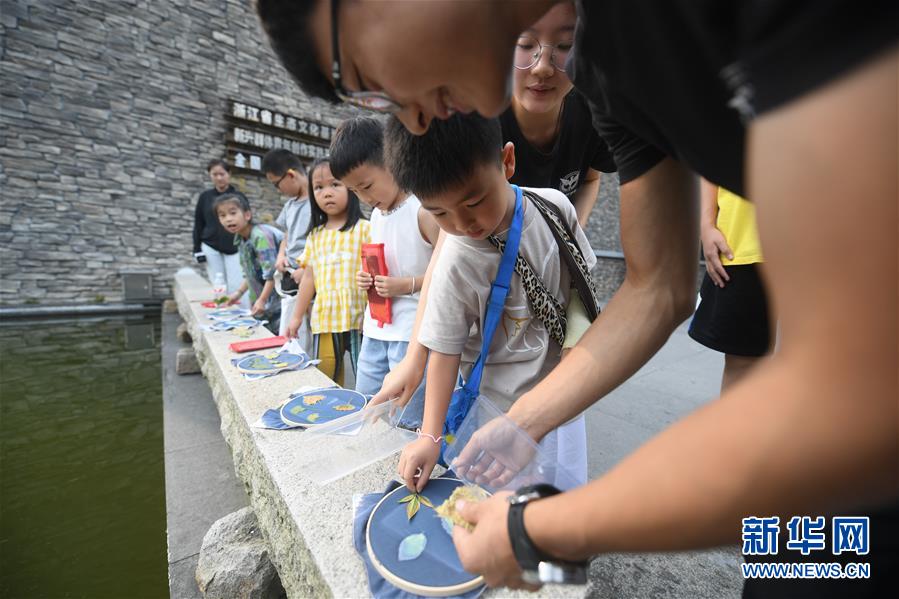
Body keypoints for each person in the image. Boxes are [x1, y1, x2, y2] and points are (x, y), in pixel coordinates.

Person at [255, 0, 898, 594]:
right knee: (786, 571)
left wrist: (539, 531)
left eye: (368, 81)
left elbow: (856, 401)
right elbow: (659, 286)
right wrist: (524, 424)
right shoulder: (602, 73)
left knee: (836, 557)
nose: (411, 117)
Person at [385, 112, 596, 492]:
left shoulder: (554, 207)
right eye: (439, 212)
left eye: (474, 201)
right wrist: (430, 437)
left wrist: (574, 352)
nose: (462, 224)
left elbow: (582, 285)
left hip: (563, 399)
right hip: (499, 413)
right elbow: (444, 351)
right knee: (507, 507)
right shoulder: (457, 260)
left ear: (507, 161)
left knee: (565, 495)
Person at [328, 116, 439, 428]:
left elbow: (447, 272)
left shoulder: (424, 210)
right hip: (376, 330)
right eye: (354, 191)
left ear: (393, 160)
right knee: (367, 411)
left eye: (366, 186)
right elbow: (387, 261)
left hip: (412, 336)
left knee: (406, 420)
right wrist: (367, 278)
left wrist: (407, 285)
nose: (364, 198)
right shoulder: (376, 215)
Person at [501, 1, 615, 227]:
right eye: (525, 44)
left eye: (565, 45)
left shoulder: (595, 110)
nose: (542, 67)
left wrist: (573, 233)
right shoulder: (475, 121)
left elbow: (590, 180)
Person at [285, 158, 369, 386]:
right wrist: (296, 317)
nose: (327, 193)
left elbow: (376, 274)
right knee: (326, 377)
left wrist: (372, 314)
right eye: (319, 187)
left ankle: (371, 409)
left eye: (335, 184)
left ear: (351, 187)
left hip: (360, 319)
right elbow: (308, 279)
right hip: (325, 319)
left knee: (367, 378)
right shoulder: (315, 235)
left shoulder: (365, 229)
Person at [690, 181, 771, 391]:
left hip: (827, 235)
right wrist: (706, 224)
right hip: (743, 239)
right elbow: (711, 163)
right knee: (743, 362)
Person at [261, 149, 313, 345]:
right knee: (293, 327)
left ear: (290, 175)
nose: (278, 190)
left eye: (277, 184)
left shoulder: (318, 202)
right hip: (290, 276)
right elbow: (287, 235)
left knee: (308, 328)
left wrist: (306, 269)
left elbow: (321, 240)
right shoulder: (290, 205)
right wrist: (281, 255)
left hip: (308, 273)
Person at [215, 193, 283, 333]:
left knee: (280, 338)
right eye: (222, 215)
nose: (228, 219)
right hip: (264, 303)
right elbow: (249, 273)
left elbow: (272, 273)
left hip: (280, 302)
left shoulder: (260, 236)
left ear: (247, 215)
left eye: (233, 213)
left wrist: (262, 300)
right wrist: (237, 294)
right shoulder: (240, 239)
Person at [192, 159, 246, 298]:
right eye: (214, 174)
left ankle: (238, 310)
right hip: (210, 247)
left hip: (234, 247)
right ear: (210, 175)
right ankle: (222, 309)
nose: (219, 178)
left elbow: (246, 221)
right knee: (218, 285)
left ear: (229, 174)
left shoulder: (239, 197)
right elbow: (199, 223)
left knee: (236, 284)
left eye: (222, 174)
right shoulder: (205, 197)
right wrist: (197, 249)